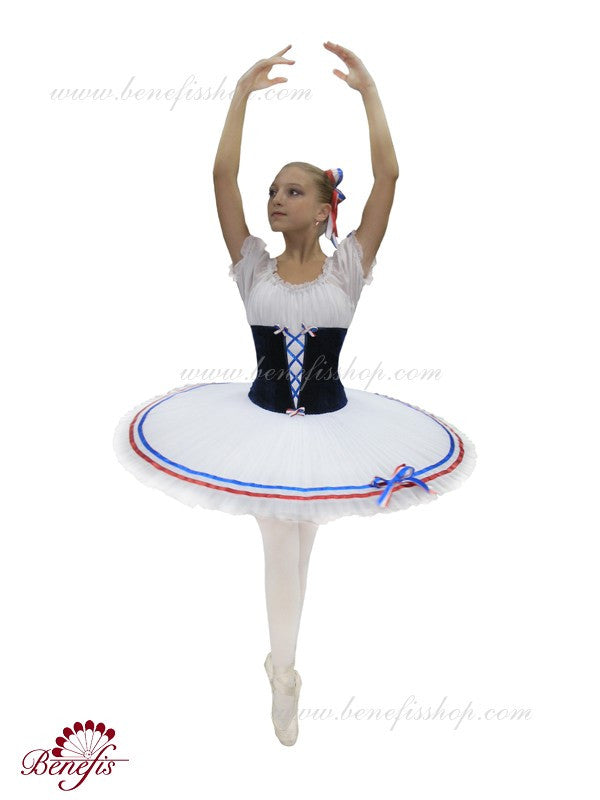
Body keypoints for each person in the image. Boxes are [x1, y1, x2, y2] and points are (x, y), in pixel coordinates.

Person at [112, 42, 477, 746]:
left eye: (292, 192)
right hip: (257, 424)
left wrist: (369, 91)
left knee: (300, 540)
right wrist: (239, 96)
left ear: (322, 209)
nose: (276, 199)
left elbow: (390, 175)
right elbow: (220, 174)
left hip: (333, 426)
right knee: (282, 538)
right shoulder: (253, 266)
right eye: (273, 191)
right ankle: (285, 674)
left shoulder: (349, 268)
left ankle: (284, 663)